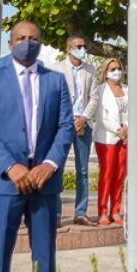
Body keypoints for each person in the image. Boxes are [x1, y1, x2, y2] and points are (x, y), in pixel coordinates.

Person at [0, 21, 73, 272]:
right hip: (6, 182)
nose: (27, 43)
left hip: (44, 183)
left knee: (44, 255)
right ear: (10, 44)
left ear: (40, 44)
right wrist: (10, 166)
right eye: (20, 38)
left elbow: (65, 126)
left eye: (33, 38)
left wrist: (49, 164)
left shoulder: (55, 81)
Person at [52, 34, 99, 227]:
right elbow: (54, 97)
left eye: (84, 45)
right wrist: (69, 120)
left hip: (84, 125)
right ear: (69, 49)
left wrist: (83, 118)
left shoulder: (90, 70)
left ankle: (80, 213)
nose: (82, 49)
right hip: (63, 125)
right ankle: (55, 214)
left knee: (83, 171)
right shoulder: (56, 69)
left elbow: (94, 98)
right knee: (57, 169)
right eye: (78, 46)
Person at [94, 57, 128, 226]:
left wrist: (126, 128)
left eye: (118, 68)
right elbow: (100, 117)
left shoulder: (128, 89)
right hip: (106, 138)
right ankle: (102, 212)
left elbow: (133, 111)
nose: (116, 72)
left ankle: (116, 210)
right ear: (106, 72)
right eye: (113, 69)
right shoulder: (100, 91)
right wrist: (118, 130)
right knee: (107, 174)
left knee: (120, 175)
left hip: (125, 138)